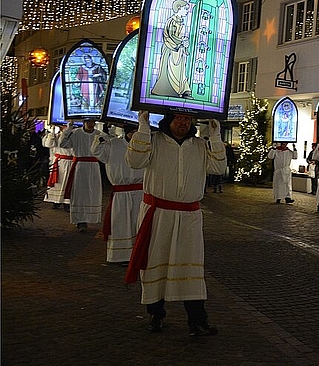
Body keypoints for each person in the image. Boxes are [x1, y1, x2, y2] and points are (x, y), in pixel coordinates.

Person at [125, 111, 226, 336]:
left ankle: (197, 320)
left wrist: (216, 135)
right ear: (169, 120)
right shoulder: (154, 140)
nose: (183, 123)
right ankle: (155, 314)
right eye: (178, 118)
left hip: (189, 217)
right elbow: (134, 161)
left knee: (190, 266)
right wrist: (142, 126)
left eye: (187, 119)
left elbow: (218, 169)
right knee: (155, 262)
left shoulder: (199, 145)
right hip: (157, 213)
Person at [91, 125, 144, 264]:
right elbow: (96, 151)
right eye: (132, 132)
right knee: (120, 223)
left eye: (137, 132)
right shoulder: (115, 144)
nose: (134, 135)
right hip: (121, 192)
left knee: (138, 223)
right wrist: (102, 137)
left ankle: (137, 254)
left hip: (140, 192)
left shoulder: (145, 147)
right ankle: (120, 256)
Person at [59, 119, 104, 232]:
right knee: (79, 192)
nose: (90, 124)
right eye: (88, 121)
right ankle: (80, 221)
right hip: (80, 167)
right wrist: (68, 129)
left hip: (94, 167)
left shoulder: (99, 134)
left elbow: (107, 146)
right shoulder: (76, 133)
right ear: (84, 122)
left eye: (93, 121)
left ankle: (90, 217)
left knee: (92, 192)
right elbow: (63, 144)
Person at [150, 0, 192, 99]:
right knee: (169, 70)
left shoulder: (181, 22)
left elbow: (181, 37)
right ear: (179, 8)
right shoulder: (172, 21)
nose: (187, 11)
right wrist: (181, 42)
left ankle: (183, 90)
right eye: (185, 9)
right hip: (171, 49)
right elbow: (169, 35)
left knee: (180, 71)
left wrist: (185, 42)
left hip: (179, 51)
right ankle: (169, 90)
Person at [42, 125, 73, 211]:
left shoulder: (72, 135)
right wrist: (51, 133)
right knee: (57, 182)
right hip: (57, 161)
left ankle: (66, 202)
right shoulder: (55, 135)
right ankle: (55, 201)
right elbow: (48, 144)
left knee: (67, 182)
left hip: (68, 162)